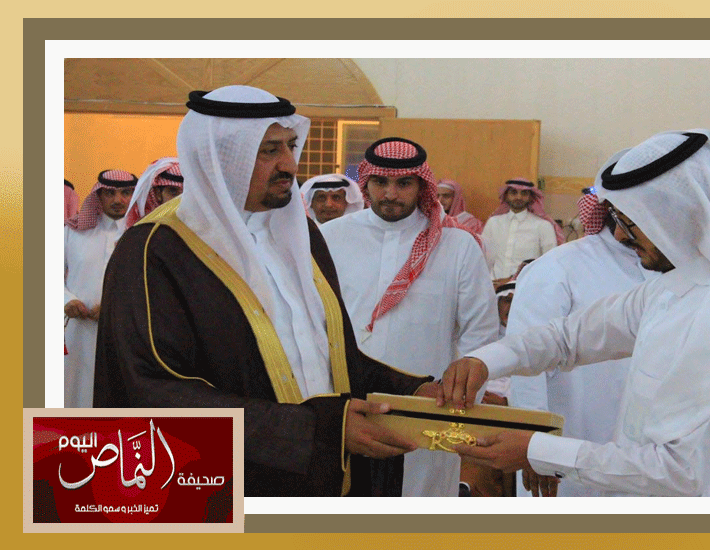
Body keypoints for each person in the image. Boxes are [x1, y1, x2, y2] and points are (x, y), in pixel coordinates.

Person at [93, 86, 437, 497]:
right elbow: (153, 391)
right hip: (225, 489)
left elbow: (330, 357)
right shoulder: (156, 250)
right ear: (220, 158)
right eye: (269, 150)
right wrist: (317, 429)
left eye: (290, 145)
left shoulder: (301, 234)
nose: (289, 164)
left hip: (324, 478)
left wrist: (414, 392)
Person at [439, 129, 710, 497]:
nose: (621, 236)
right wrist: (487, 360)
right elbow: (571, 336)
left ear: (675, 218)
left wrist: (537, 450)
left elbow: (679, 471)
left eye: (631, 224)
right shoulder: (677, 287)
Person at [320, 137, 499, 497]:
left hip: (427, 408)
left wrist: (459, 404)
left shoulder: (457, 246)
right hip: (346, 405)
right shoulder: (330, 237)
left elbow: (479, 334)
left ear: (421, 185)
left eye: (403, 183)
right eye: (380, 182)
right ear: (366, 183)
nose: (391, 194)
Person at [506, 178, 653, 497]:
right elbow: (525, 364)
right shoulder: (558, 268)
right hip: (569, 447)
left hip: (647, 455)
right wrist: (535, 441)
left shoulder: (673, 271)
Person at [64, 169, 137, 407]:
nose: (118, 200)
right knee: (73, 394)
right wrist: (66, 300)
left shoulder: (142, 235)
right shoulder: (72, 232)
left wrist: (115, 308)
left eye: (126, 193)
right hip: (77, 331)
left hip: (125, 333)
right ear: (98, 195)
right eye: (110, 193)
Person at [480, 178, 564, 283]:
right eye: (513, 192)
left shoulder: (543, 226)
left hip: (527, 285)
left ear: (530, 197)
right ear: (506, 196)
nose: (519, 197)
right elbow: (483, 257)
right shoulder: (493, 223)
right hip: (493, 284)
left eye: (524, 193)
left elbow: (549, 261)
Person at [124, 157, 184, 228]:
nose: (181, 199)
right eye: (173, 192)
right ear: (158, 194)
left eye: (186, 193)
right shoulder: (144, 229)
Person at [299, 173, 365, 225]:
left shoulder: (357, 233)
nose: (328, 205)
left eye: (336, 198)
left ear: (346, 202)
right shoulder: (301, 233)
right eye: (321, 198)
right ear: (311, 203)